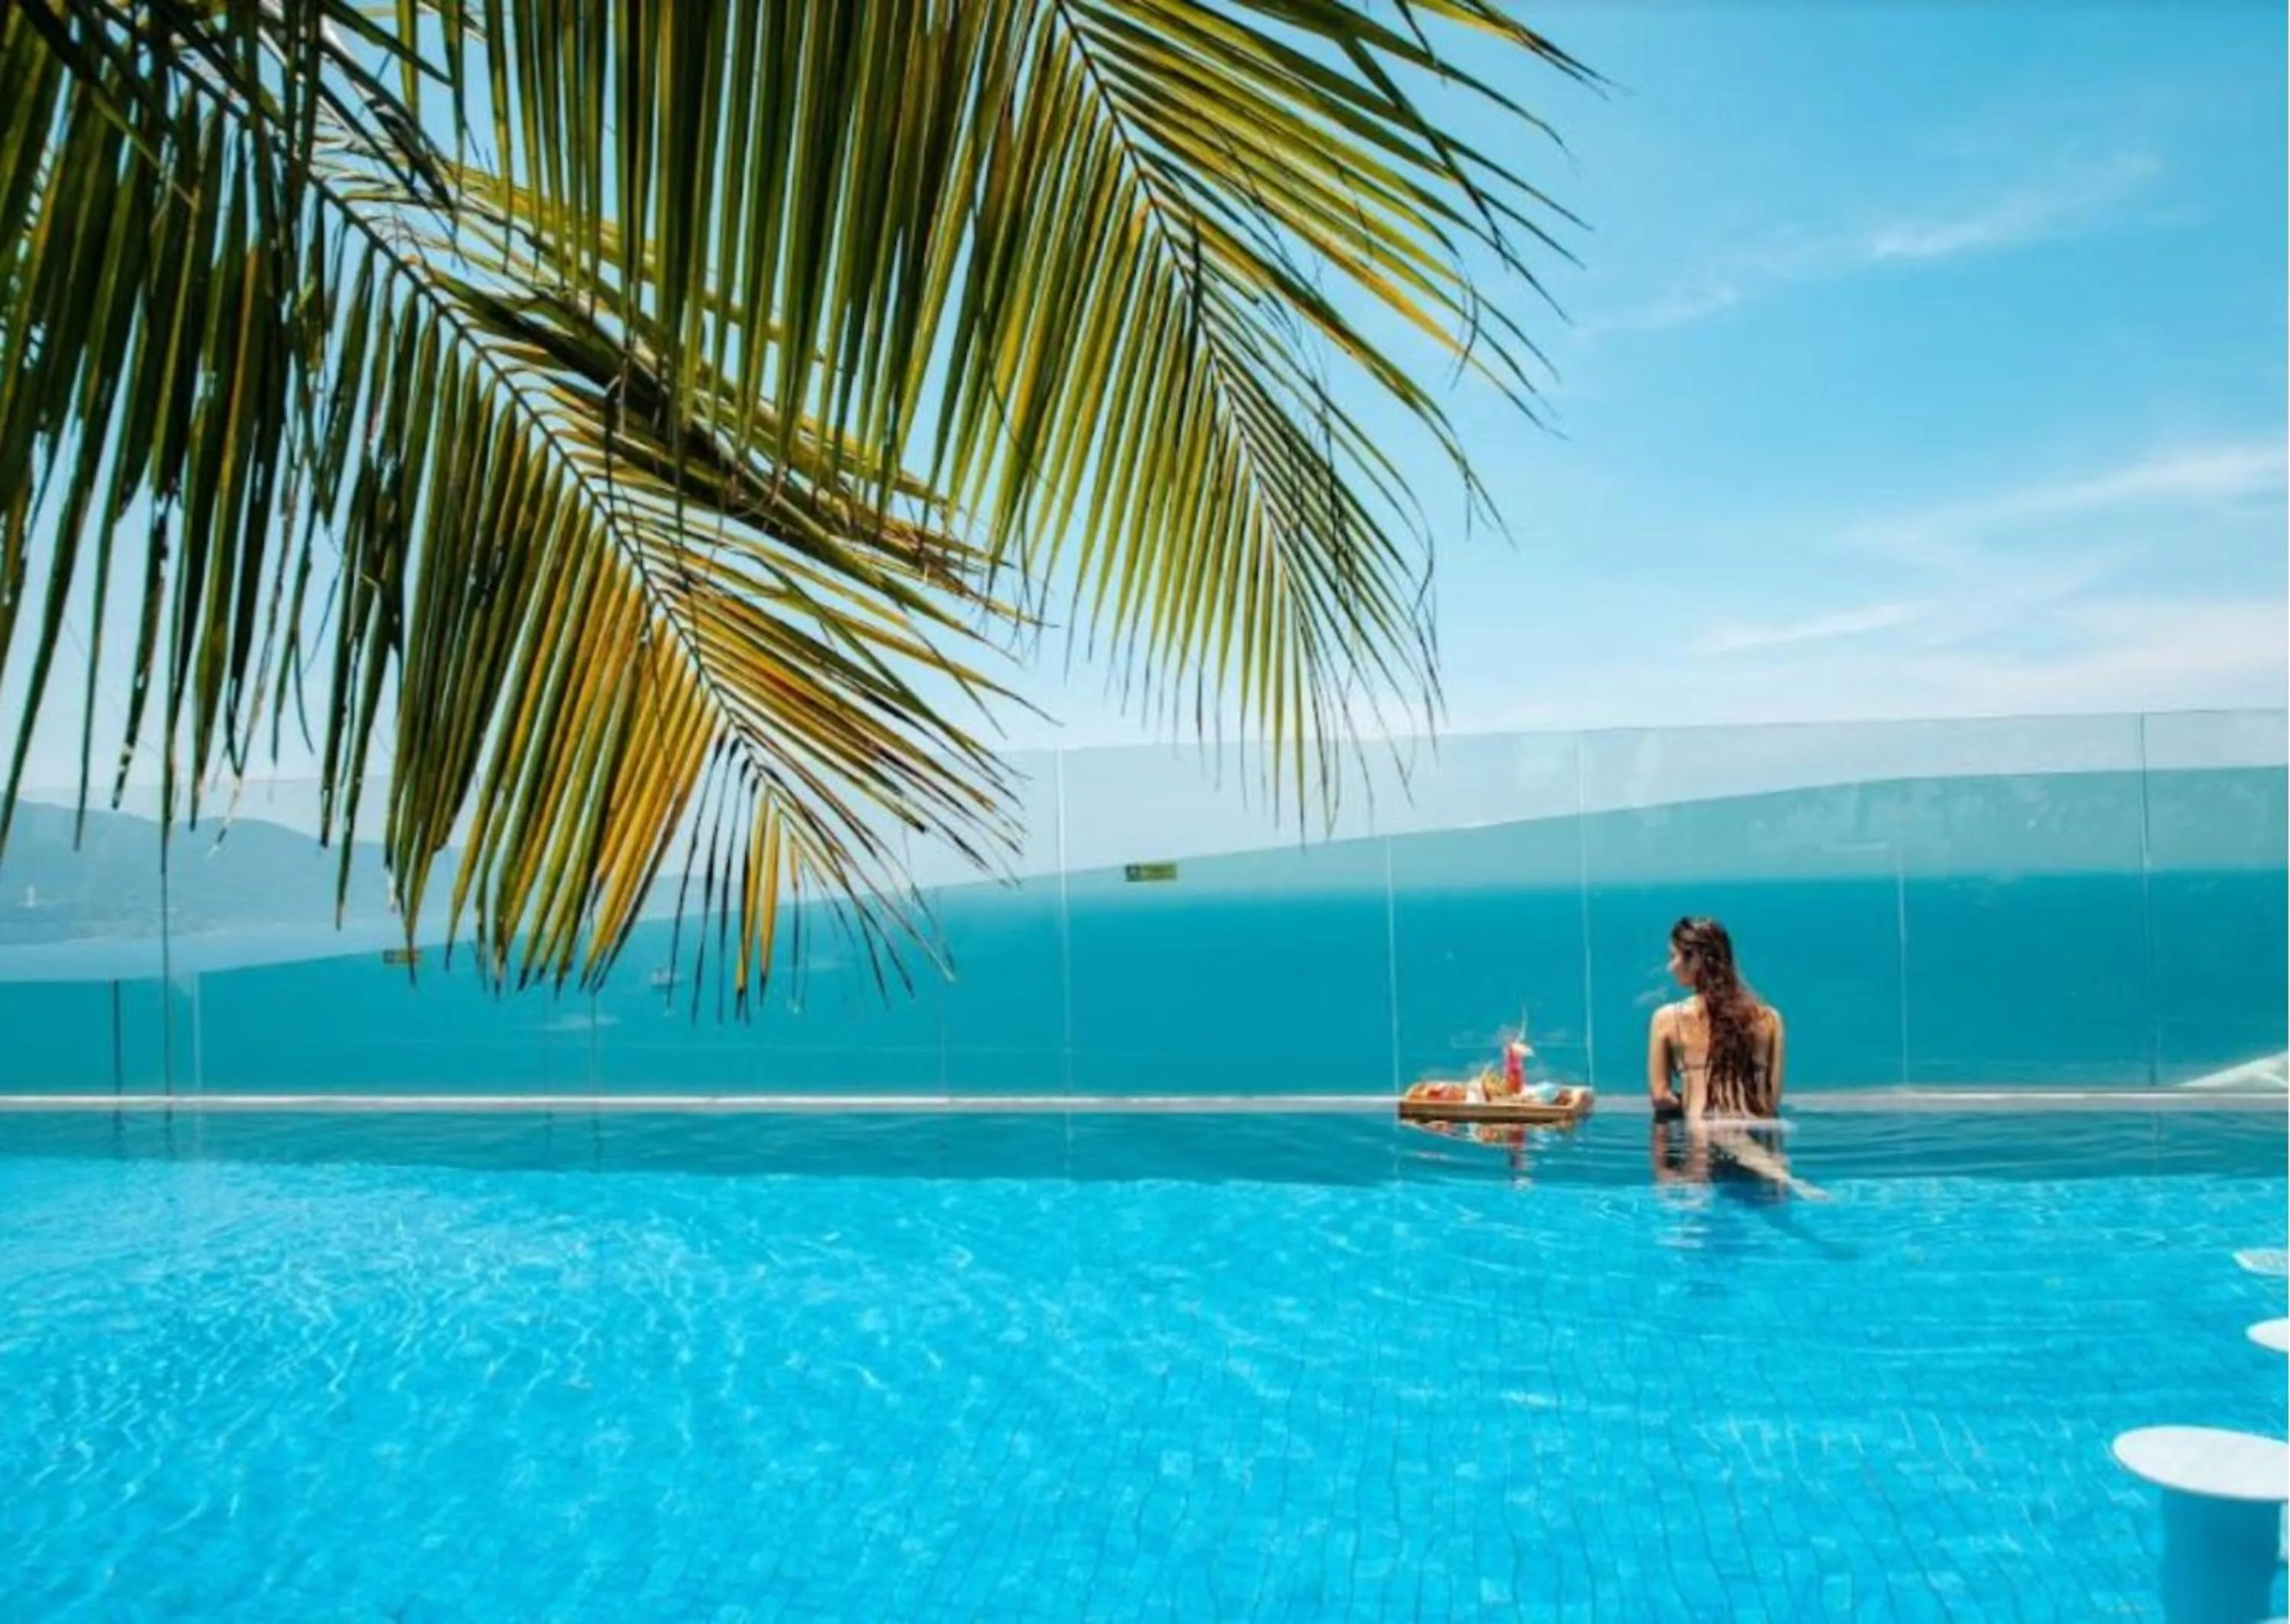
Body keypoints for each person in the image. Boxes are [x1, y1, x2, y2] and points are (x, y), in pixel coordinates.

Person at [1645, 917, 1824, 1200]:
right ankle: (1784, 1177)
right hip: (1761, 1138)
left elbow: (1660, 1097)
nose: (1670, 967)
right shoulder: (1770, 1019)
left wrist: (1694, 1100)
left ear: (1696, 960)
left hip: (1701, 1143)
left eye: (1674, 957)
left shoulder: (1667, 1020)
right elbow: (1770, 1102)